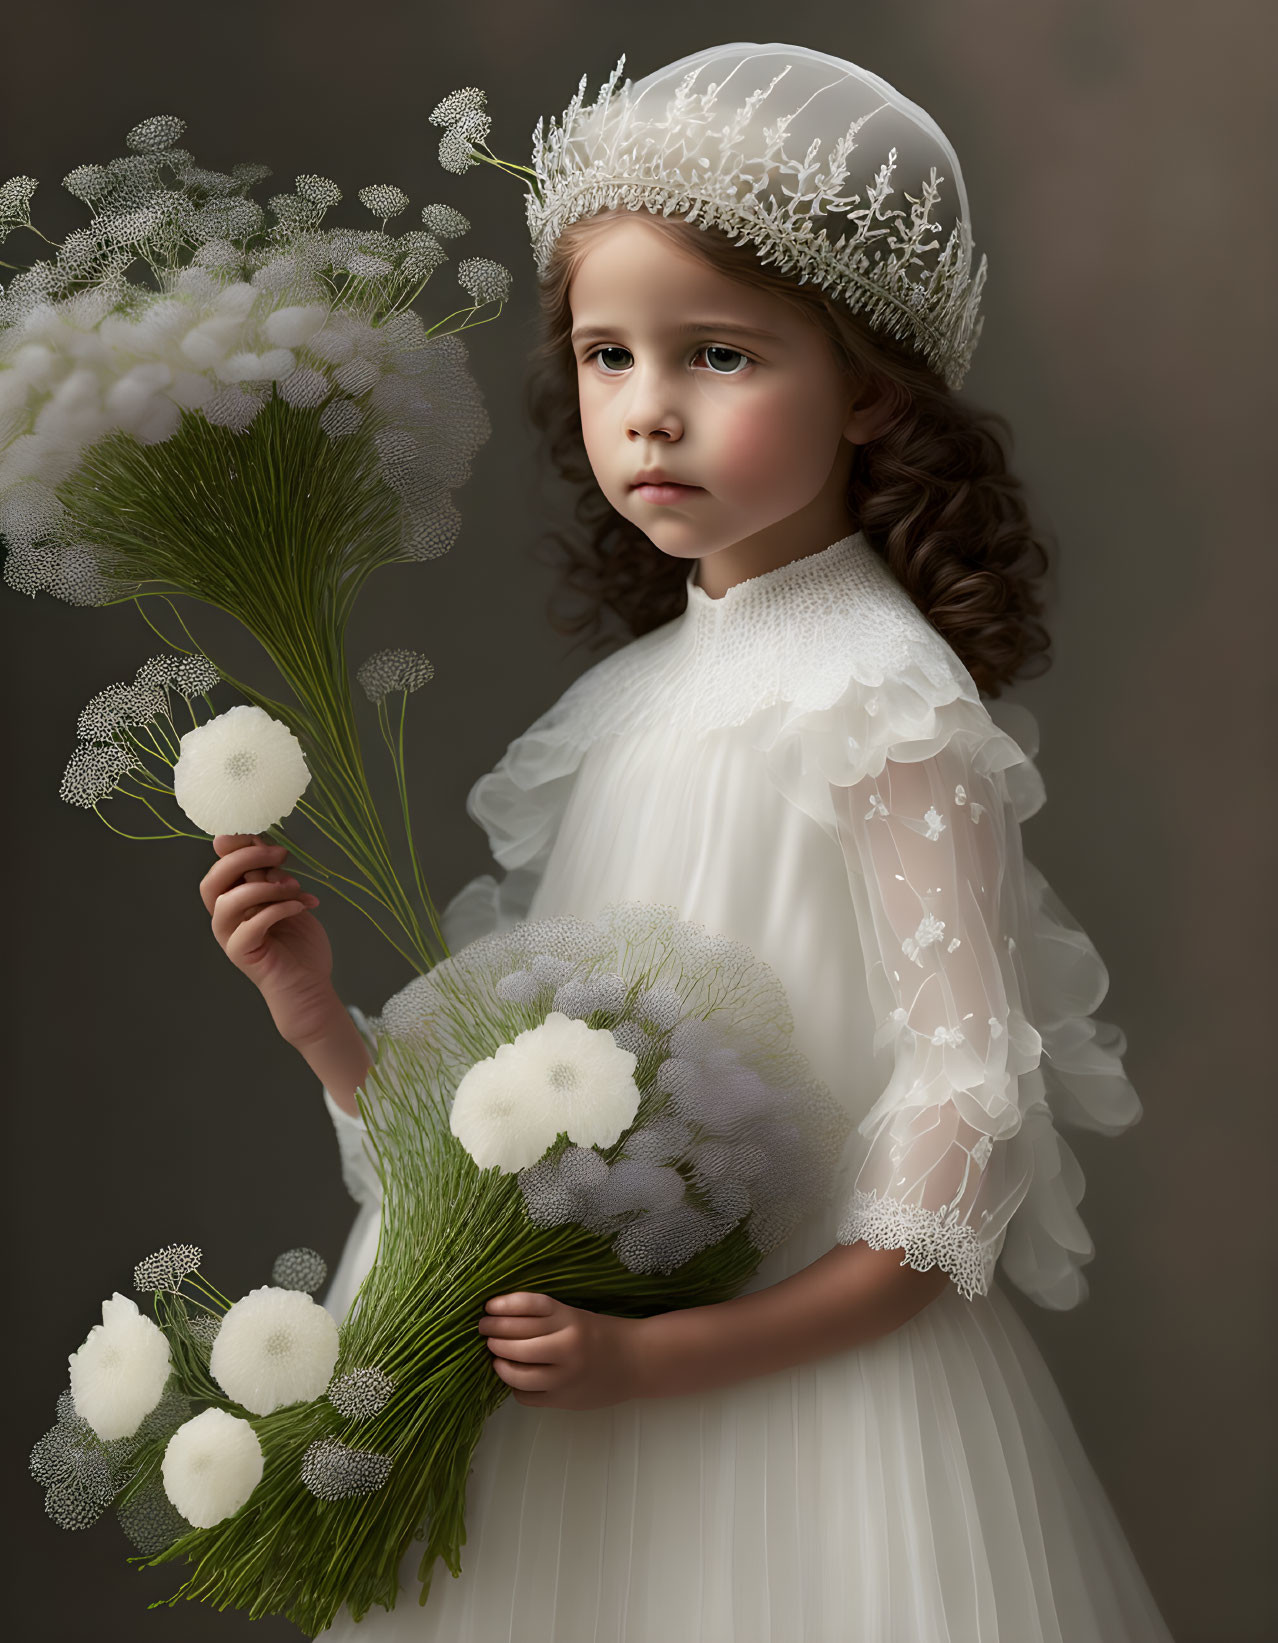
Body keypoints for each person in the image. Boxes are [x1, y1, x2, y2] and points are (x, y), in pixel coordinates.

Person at [201, 42, 1177, 1641]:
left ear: (869, 387)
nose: (646, 411)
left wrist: (670, 1358)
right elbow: (509, 1155)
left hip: (799, 1412)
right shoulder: (627, 704)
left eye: (717, 356)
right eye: (605, 357)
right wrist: (317, 1011)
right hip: (577, 1405)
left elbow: (962, 1135)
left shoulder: (884, 703)